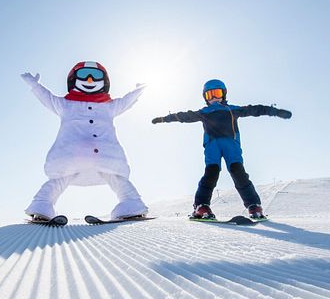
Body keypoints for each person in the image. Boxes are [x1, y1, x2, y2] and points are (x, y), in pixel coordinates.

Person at [21, 61, 148, 221]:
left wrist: (138, 91)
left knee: (63, 179)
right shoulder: (66, 105)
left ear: (104, 82)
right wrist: (34, 85)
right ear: (73, 79)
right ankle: (42, 207)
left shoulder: (108, 106)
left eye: (95, 75)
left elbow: (126, 101)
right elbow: (47, 98)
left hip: (83, 156)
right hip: (93, 156)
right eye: (83, 75)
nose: (89, 80)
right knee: (110, 178)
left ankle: (132, 205)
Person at [151, 79, 292, 220]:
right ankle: (201, 206)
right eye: (209, 95)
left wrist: (275, 111)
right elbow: (184, 116)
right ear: (205, 98)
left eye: (216, 93)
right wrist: (164, 118)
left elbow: (255, 109)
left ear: (223, 94)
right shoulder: (204, 112)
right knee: (211, 173)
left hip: (231, 145)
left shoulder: (232, 109)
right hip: (213, 146)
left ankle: (253, 206)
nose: (213, 98)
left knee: (238, 172)